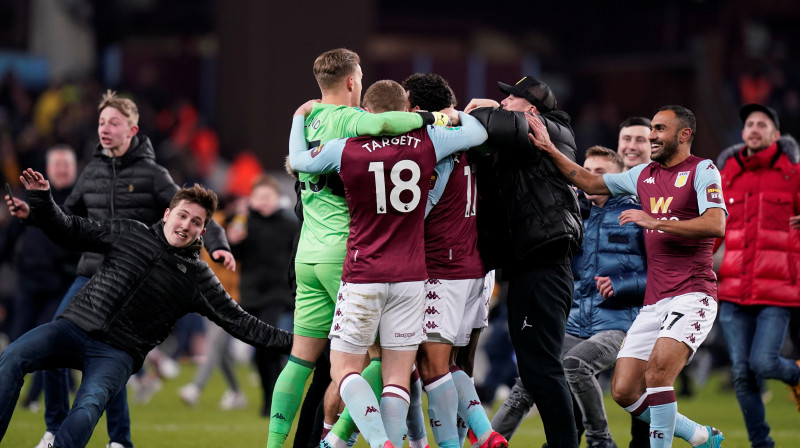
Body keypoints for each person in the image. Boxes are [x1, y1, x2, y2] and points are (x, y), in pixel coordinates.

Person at [4, 90, 235, 448]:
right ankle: (54, 429)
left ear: (132, 129)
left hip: (131, 282)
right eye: (101, 122)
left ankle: (118, 440)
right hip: (88, 275)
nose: (105, 129)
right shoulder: (91, 169)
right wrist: (33, 215)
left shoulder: (152, 174)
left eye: (114, 122)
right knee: (52, 345)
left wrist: (218, 245)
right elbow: (68, 218)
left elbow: (195, 209)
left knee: (109, 364)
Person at [0, 170, 292, 448]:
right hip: (73, 328)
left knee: (87, 408)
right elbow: (69, 229)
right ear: (167, 214)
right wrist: (43, 199)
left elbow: (242, 323)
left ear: (203, 230)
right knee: (11, 357)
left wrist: (299, 344)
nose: (185, 225)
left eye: (195, 222)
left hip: (116, 353)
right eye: (182, 215)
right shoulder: (128, 231)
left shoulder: (198, 277)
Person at [288, 80, 488, 448]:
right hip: (412, 277)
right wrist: (447, 116)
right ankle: (399, 440)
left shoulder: (346, 148)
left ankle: (381, 442)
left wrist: (299, 119)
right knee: (397, 377)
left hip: (364, 272)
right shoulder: (430, 141)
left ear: (365, 112)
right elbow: (476, 132)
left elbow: (299, 162)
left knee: (344, 369)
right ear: (405, 110)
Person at [268, 48, 450, 448]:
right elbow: (389, 121)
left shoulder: (311, 116)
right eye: (362, 76)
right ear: (352, 81)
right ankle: (340, 439)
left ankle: (275, 444)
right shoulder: (354, 120)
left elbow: (296, 162)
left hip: (308, 253)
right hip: (347, 253)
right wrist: (435, 117)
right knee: (378, 362)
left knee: (300, 360)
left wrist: (297, 117)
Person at [530, 105, 726, 448]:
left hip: (693, 293)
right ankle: (698, 435)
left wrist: (656, 222)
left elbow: (715, 223)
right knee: (623, 390)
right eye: (652, 128)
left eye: (660, 129)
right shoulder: (643, 175)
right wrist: (548, 149)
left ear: (684, 134)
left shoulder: (702, 170)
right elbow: (589, 180)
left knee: (657, 375)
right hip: (654, 301)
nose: (652, 135)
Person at [491, 146, 646, 448]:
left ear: (618, 178)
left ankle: (601, 441)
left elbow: (659, 275)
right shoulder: (569, 215)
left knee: (576, 363)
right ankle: (488, 442)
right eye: (587, 170)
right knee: (529, 380)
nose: (590, 177)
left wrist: (622, 284)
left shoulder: (636, 216)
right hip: (573, 323)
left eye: (600, 172)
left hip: (618, 325)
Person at [464, 75, 583, 448]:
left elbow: (502, 124)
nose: (504, 104)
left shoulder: (553, 128)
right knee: (536, 369)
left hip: (544, 264)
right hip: (529, 265)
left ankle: (566, 441)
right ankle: (571, 430)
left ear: (530, 108)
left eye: (510, 99)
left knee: (540, 367)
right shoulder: (521, 144)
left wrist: (471, 111)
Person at [403, 72, 500, 448]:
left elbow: (419, 211)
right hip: (475, 267)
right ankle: (479, 431)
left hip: (442, 269)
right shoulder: (478, 136)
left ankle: (457, 440)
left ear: (415, 108)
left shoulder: (435, 142)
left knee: (430, 367)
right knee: (454, 364)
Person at [716, 103, 800, 448]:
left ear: (775, 135)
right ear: (742, 133)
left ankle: (796, 374)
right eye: (749, 123)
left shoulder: (793, 175)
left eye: (761, 124)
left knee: (763, 363)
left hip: (777, 290)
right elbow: (712, 226)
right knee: (742, 373)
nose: (753, 128)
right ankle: (761, 444)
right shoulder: (726, 176)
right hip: (732, 289)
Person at [0, 145, 79, 410]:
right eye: (57, 164)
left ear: (74, 168)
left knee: (48, 343)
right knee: (15, 343)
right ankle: (10, 397)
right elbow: (9, 238)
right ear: (47, 168)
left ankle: (32, 398)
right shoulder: (31, 199)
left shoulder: (80, 201)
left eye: (66, 164)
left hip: (61, 285)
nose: (61, 169)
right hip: (28, 284)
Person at [227, 174, 299, 416]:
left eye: (269, 197)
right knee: (258, 350)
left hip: (278, 293)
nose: (264, 202)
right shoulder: (243, 223)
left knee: (270, 345)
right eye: (260, 197)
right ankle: (269, 397)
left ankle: (274, 401)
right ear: (252, 199)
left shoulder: (290, 224)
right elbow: (232, 254)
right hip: (251, 293)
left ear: (277, 198)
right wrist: (233, 239)